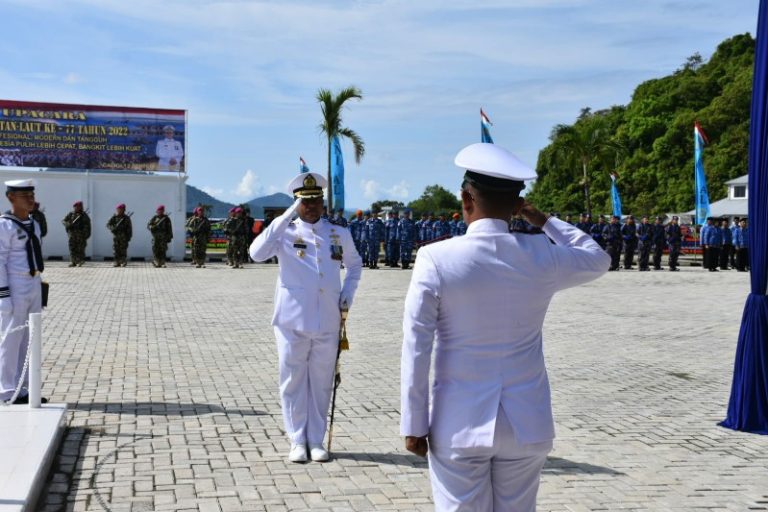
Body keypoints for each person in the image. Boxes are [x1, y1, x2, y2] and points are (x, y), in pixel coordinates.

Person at [401, 142, 609, 511]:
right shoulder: (541, 255)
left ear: (466, 200)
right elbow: (597, 258)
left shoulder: (435, 258)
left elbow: (417, 346)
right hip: (526, 424)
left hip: (459, 422)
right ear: (517, 204)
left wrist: (414, 423)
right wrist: (542, 220)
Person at [249, 171, 362, 463]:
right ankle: (297, 439)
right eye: (305, 201)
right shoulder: (284, 232)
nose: (311, 207)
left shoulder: (339, 233)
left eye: (316, 201)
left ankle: (316, 439)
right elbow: (256, 253)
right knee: (293, 380)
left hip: (328, 317)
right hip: (291, 320)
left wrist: (347, 295)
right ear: (296, 203)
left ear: (323, 203)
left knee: (322, 381)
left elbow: (355, 265)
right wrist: (286, 215)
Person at [0, 179, 47, 404]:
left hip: (33, 283)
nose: (31, 199)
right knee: (11, 339)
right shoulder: (4, 225)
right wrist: (3, 295)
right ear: (11, 197)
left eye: (32, 195)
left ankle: (25, 388)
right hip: (15, 285)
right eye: (25, 196)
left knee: (30, 337)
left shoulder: (34, 223)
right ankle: (6, 390)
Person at [62, 201, 91, 267]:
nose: (77, 208)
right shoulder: (71, 214)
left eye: (78, 206)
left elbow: (88, 226)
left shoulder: (84, 215)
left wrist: (85, 235)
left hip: (80, 235)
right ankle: (73, 262)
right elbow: (63, 221)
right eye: (75, 207)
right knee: (72, 248)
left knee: (80, 249)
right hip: (72, 235)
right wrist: (69, 224)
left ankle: (80, 261)